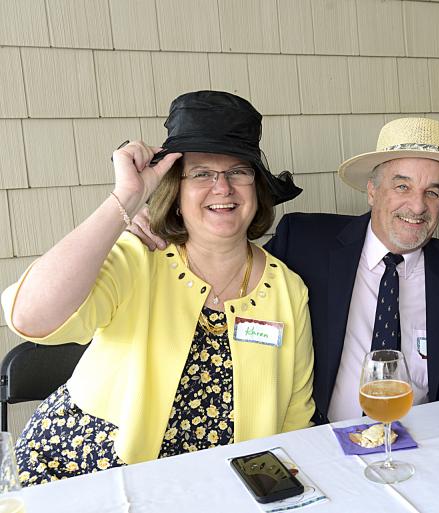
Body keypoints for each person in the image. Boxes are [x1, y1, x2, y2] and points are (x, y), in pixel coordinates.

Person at [1, 91, 315, 485]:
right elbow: (30, 317)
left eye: (238, 171)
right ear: (176, 194)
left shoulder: (287, 289)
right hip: (89, 466)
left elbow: (295, 416)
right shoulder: (138, 256)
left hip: (219, 484)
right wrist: (126, 199)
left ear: (256, 189)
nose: (223, 187)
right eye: (201, 173)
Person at [133, 117, 439, 423]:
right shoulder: (305, 242)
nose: (418, 206)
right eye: (402, 186)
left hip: (424, 451)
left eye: (433, 192)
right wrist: (165, 225)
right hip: (321, 444)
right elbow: (227, 266)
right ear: (372, 191)